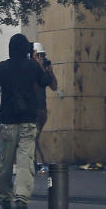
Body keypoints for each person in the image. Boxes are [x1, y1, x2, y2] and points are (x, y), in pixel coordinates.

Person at [0, 33, 53, 209]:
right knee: (25, 160)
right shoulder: (32, 66)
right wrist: (38, 62)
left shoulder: (1, 68)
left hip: (8, 121)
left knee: (6, 160)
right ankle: (21, 196)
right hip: (28, 119)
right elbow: (45, 81)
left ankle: (4, 195)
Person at [31, 42, 58, 170]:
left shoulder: (44, 72)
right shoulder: (29, 69)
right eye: (38, 55)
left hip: (41, 110)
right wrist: (40, 70)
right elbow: (35, 86)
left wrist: (50, 72)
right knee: (32, 138)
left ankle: (34, 163)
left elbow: (54, 86)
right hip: (31, 110)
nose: (41, 58)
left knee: (34, 138)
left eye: (42, 55)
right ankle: (35, 163)